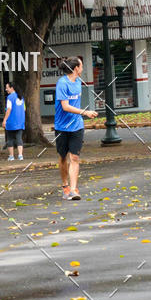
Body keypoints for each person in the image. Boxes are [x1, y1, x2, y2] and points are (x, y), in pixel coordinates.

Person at [54, 56, 98, 201]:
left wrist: (81, 115)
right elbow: (65, 106)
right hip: (62, 127)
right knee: (62, 158)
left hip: (77, 126)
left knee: (75, 157)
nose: (83, 68)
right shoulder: (62, 83)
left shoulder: (78, 82)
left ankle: (73, 190)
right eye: (81, 66)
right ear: (76, 69)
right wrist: (85, 112)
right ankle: (65, 185)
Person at [2, 80, 26, 161]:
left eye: (7, 88)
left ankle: (11, 156)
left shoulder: (9, 97)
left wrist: (4, 120)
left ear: (12, 88)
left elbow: (9, 109)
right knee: (19, 138)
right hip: (20, 121)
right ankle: (20, 155)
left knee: (10, 139)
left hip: (11, 121)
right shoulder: (21, 96)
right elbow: (24, 109)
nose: (6, 89)